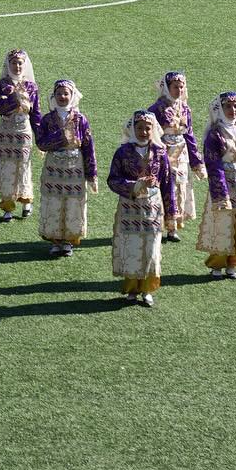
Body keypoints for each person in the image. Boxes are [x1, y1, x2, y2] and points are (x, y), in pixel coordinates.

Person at [107, 111, 175, 307]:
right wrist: (135, 185)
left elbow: (167, 183)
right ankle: (131, 289)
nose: (144, 132)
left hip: (153, 208)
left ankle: (146, 289)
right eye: (140, 128)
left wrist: (171, 213)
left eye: (148, 128)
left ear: (153, 129)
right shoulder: (123, 152)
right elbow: (113, 180)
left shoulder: (161, 152)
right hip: (130, 207)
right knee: (132, 247)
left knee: (151, 248)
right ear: (132, 129)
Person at [196, 92, 236, 279]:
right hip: (223, 185)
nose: (233, 110)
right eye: (228, 107)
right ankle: (217, 265)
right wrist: (220, 194)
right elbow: (213, 166)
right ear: (220, 109)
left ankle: (233, 263)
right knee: (222, 225)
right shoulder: (215, 135)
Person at [34, 79, 97, 257]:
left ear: (72, 95)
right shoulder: (47, 119)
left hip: (75, 167)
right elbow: (41, 143)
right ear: (54, 96)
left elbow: (88, 146)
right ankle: (55, 240)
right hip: (54, 166)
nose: (62, 96)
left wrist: (91, 173)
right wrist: (59, 137)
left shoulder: (81, 119)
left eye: (66, 93)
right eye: (59, 93)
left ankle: (68, 240)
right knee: (53, 202)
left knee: (73, 203)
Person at [148, 71, 205, 243]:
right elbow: (151, 136)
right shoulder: (155, 109)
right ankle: (157, 223)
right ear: (167, 87)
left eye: (181, 87)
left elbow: (190, 135)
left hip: (181, 154)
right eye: (175, 87)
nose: (179, 90)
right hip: (163, 153)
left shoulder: (185, 109)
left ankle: (173, 228)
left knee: (179, 189)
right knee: (164, 187)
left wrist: (197, 162)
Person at [0, 49, 40, 221]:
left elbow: (36, 113)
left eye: (20, 63)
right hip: (5, 131)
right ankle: (8, 206)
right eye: (14, 63)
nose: (17, 66)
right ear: (8, 65)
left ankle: (26, 202)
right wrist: (12, 100)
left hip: (24, 132)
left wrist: (40, 135)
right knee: (6, 168)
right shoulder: (0, 85)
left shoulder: (32, 87)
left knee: (24, 166)